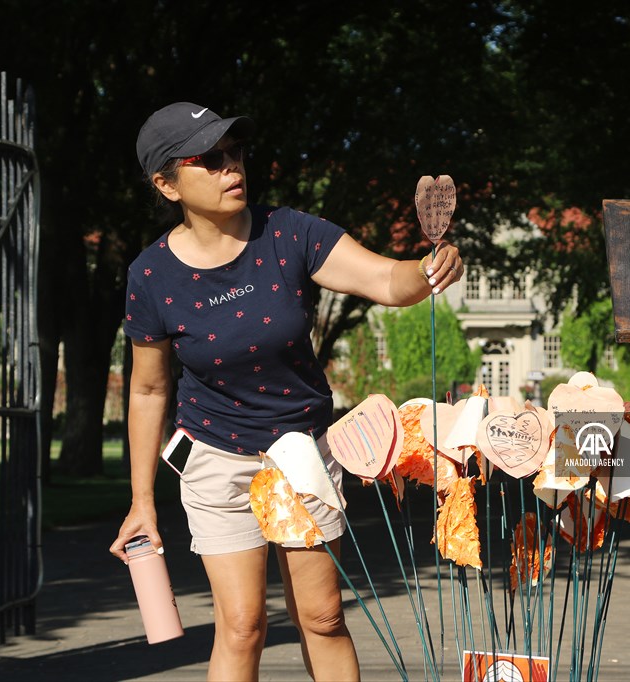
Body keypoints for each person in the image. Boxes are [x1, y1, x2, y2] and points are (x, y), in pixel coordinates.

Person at [109, 102, 463, 681]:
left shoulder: (289, 232)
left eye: (237, 153)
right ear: (166, 183)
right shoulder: (151, 277)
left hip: (306, 453)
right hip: (216, 457)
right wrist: (141, 500)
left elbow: (382, 278)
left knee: (322, 616)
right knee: (243, 625)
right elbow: (149, 390)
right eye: (211, 159)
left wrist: (426, 269)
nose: (233, 168)